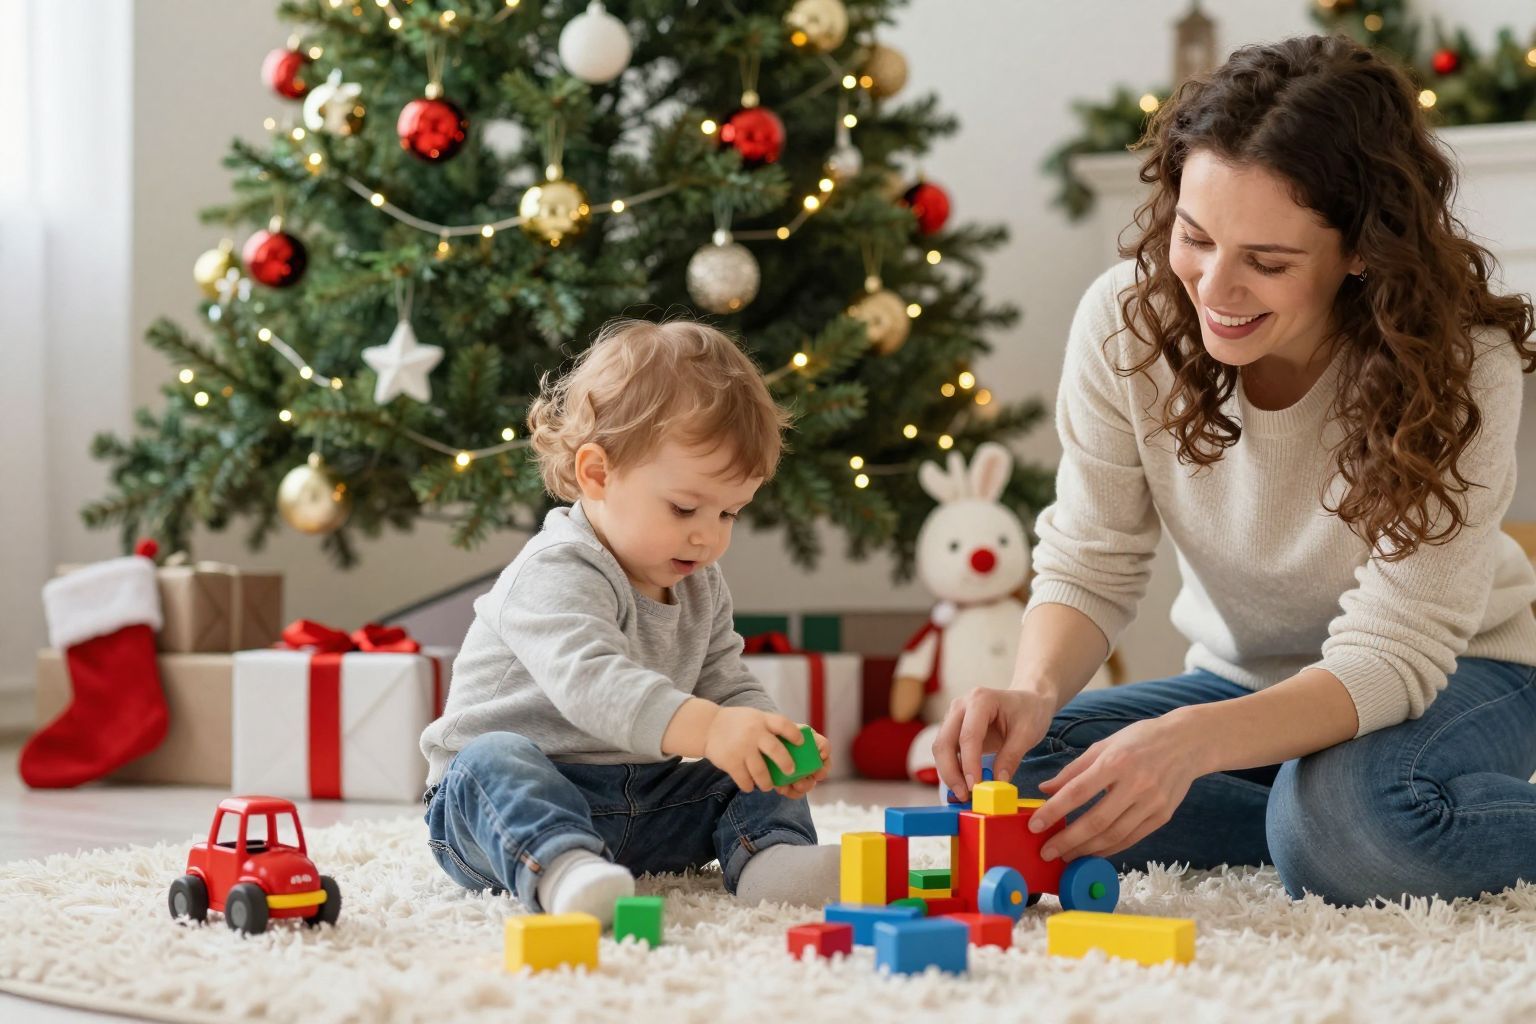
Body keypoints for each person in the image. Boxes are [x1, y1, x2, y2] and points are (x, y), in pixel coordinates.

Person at [934, 34, 1536, 906]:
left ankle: (1330, 821)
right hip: (1242, 680)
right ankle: (1309, 820)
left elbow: (1393, 653)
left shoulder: (1457, 360)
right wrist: (1030, 692)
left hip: (1465, 672)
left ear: (1360, 251)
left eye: (1267, 261)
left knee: (1346, 826)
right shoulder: (1123, 323)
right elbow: (1091, 555)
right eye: (1195, 236)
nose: (1214, 286)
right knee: (1024, 781)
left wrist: (1190, 746)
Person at [419, 318, 840, 926]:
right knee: (492, 760)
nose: (708, 535)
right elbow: (593, 685)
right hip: (500, 814)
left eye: (730, 513)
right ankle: (565, 872)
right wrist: (715, 729)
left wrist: (765, 737)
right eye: (685, 507)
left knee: (736, 770)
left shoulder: (698, 579)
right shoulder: (557, 568)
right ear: (597, 473)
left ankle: (770, 859)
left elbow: (724, 679)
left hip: (641, 800)